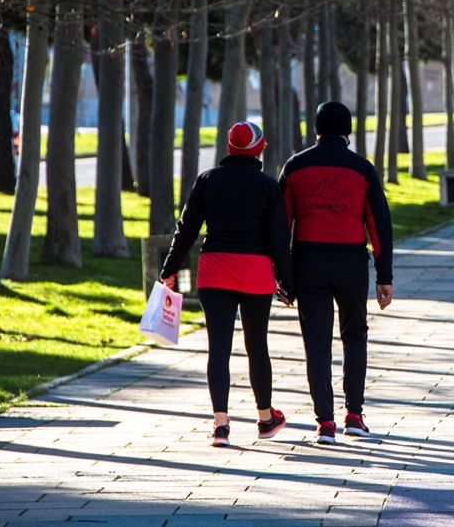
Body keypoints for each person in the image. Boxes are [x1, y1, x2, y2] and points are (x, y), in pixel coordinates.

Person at [160, 121, 294, 447]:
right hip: (254, 271)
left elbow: (186, 230)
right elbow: (279, 240)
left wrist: (169, 269)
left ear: (230, 148)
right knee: (256, 346)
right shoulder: (267, 186)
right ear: (259, 149)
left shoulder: (208, 180)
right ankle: (265, 419)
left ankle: (221, 425)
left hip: (214, 269)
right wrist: (288, 283)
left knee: (218, 347)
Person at [279, 101, 394, 445]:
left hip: (308, 261)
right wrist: (384, 275)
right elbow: (379, 224)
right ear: (348, 131)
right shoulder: (362, 168)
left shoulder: (295, 166)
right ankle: (354, 415)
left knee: (316, 343)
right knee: (355, 336)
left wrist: (283, 277)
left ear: (316, 129)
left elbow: (281, 226)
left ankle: (324, 423)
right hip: (351, 264)